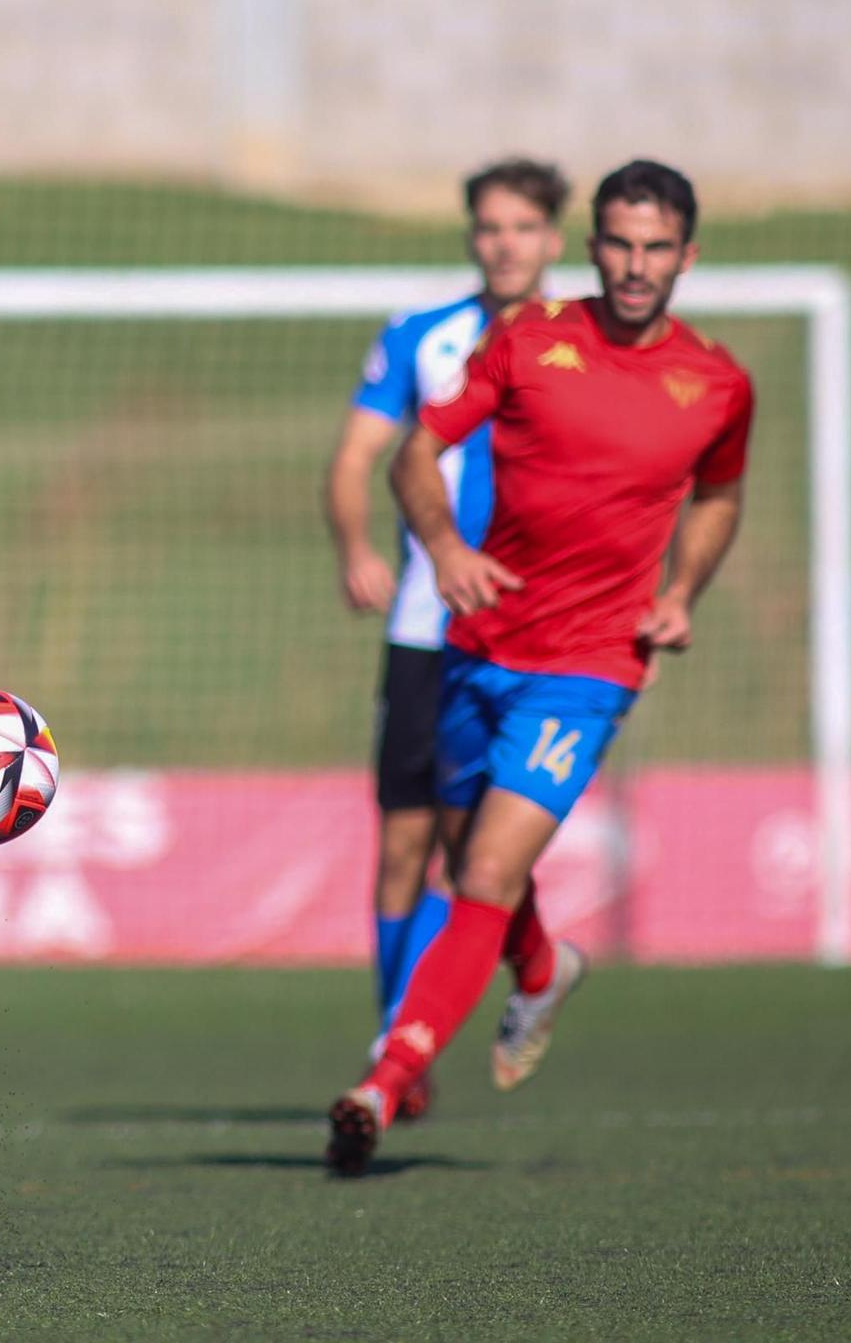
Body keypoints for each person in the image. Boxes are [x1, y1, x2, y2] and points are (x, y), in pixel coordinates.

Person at [327, 160, 753, 1176]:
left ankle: (382, 1084)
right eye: (620, 243)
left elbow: (718, 497)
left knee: (477, 869)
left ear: (685, 256)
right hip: (476, 646)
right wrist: (445, 551)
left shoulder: (717, 384)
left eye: (656, 248)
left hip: (590, 668)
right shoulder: (525, 341)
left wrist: (680, 592)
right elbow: (411, 454)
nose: (635, 265)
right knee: (461, 853)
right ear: (592, 244)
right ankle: (540, 963)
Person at [323, 158, 567, 1113]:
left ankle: (535, 972)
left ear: (554, 238)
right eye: (489, 227)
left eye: (523, 227)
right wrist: (353, 545)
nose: (504, 244)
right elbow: (354, 456)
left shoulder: (585, 346)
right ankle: (397, 1044)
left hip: (535, 636)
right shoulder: (423, 338)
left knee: (476, 855)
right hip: (428, 630)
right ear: (472, 234)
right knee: (400, 845)